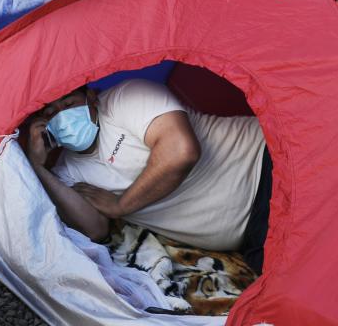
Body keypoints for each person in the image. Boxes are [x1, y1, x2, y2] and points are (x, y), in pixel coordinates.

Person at [25, 78, 271, 274]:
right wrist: (37, 168)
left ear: (90, 97)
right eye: (50, 113)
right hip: (254, 235)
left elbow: (181, 151)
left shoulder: (127, 96)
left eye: (68, 104)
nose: (62, 116)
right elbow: (95, 229)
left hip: (267, 165)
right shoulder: (66, 174)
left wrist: (120, 205)